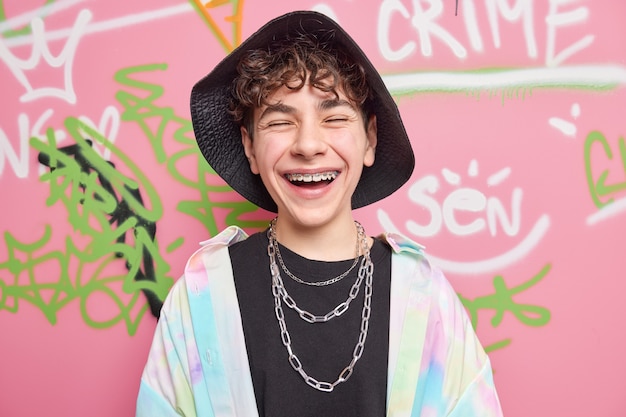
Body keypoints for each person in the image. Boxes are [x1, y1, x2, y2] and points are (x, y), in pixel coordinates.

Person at [136, 10, 503, 417]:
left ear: (370, 140)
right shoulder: (201, 297)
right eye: (279, 121)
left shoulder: (423, 296)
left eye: (335, 118)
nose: (308, 145)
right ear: (250, 147)